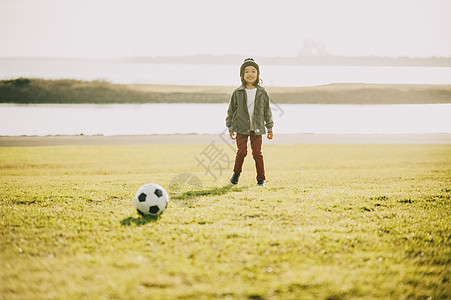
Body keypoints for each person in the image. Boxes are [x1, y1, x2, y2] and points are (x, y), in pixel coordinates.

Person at [226, 58, 274, 186]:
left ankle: (261, 179)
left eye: (253, 71)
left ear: (258, 74)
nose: (250, 74)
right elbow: (230, 111)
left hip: (257, 128)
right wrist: (230, 127)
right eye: (246, 71)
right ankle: (235, 175)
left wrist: (269, 128)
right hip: (241, 127)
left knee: (257, 154)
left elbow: (267, 111)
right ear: (242, 75)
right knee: (241, 152)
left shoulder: (262, 92)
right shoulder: (237, 92)